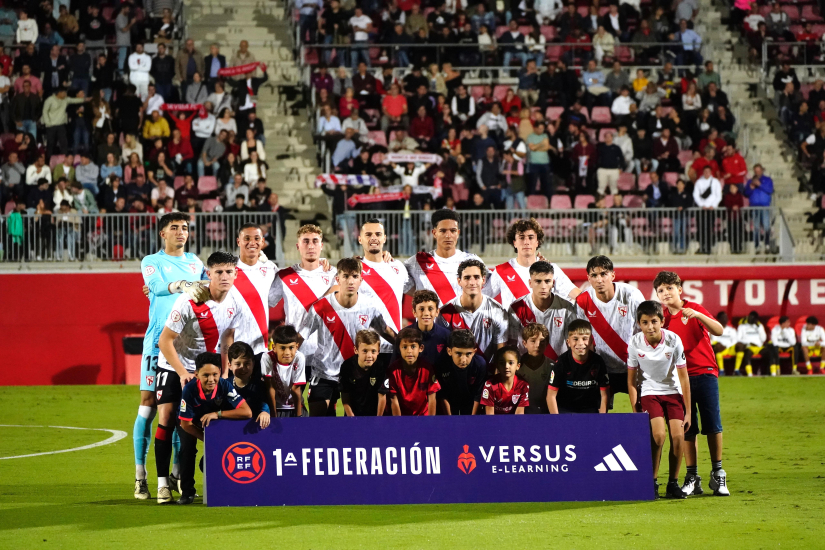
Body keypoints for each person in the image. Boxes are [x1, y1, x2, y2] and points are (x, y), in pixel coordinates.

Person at [155, 251, 247, 504]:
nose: (225, 276)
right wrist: (183, 373)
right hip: (174, 367)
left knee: (197, 428)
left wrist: (226, 371)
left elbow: (228, 338)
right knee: (166, 419)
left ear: (236, 274)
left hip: (206, 373)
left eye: (229, 271)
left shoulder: (236, 302)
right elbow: (165, 342)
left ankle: (188, 483)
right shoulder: (189, 301)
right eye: (219, 272)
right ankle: (162, 483)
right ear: (208, 274)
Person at [133, 213, 209, 500]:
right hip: (157, 343)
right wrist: (179, 286)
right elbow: (153, 286)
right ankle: (141, 475)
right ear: (162, 233)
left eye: (185, 228)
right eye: (174, 228)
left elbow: (210, 289)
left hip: (186, 346)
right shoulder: (151, 261)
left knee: (179, 408)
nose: (181, 232)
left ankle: (176, 472)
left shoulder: (196, 262)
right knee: (149, 404)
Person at [654, 271, 729, 497]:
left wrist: (697, 315)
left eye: (669, 288)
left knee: (713, 424)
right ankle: (692, 477)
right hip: (678, 379)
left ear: (680, 289)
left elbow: (719, 330)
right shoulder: (662, 318)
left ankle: (718, 473)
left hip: (705, 372)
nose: (665, 293)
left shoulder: (694, 308)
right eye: (660, 290)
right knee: (688, 427)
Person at [298, 258, 396, 417]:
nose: (350, 281)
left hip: (355, 374)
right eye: (345, 276)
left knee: (357, 423)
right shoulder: (320, 307)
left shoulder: (369, 306)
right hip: (325, 372)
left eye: (355, 276)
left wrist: (404, 343)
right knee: (319, 421)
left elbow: (385, 331)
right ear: (337, 279)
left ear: (361, 280)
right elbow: (300, 337)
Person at [628, 300, 691, 499]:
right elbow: (631, 379)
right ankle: (652, 482)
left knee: (679, 437)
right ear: (639, 323)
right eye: (645, 322)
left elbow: (683, 377)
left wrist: (688, 411)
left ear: (662, 321)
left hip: (673, 392)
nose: (650, 327)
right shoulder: (635, 343)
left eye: (654, 321)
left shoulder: (674, 340)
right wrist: (635, 408)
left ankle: (673, 484)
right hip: (649, 393)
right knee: (658, 436)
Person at [176, 352, 252, 505]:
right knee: (187, 449)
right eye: (206, 375)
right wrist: (207, 439)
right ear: (196, 374)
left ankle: (226, 487)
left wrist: (218, 414)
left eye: (215, 374)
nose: (211, 380)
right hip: (191, 423)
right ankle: (187, 492)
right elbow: (185, 424)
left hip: (214, 422)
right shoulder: (189, 390)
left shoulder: (224, 385)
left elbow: (247, 412)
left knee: (223, 451)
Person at [575, 255, 644, 407]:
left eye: (603, 274)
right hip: (602, 369)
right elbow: (582, 338)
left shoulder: (632, 296)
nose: (599, 279)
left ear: (613, 275)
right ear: (588, 278)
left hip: (633, 367)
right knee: (598, 418)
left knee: (642, 414)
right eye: (594, 275)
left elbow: (644, 331)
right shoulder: (583, 301)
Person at [268, 224, 337, 361]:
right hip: (296, 352)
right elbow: (264, 301)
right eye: (305, 241)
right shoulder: (284, 276)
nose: (310, 246)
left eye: (315, 241)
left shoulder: (334, 274)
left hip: (327, 354)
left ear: (321, 245)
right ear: (298, 246)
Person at [485, 218, 579, 309]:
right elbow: (480, 299)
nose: (526, 242)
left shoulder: (552, 269)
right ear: (514, 243)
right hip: (513, 325)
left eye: (531, 237)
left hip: (543, 325)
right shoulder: (502, 271)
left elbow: (578, 296)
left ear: (537, 242)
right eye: (521, 238)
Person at [403, 209, 481, 305]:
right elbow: (398, 279)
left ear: (458, 233)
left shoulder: (472, 261)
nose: (448, 235)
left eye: (453, 231)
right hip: (429, 320)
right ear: (434, 233)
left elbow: (489, 288)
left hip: (463, 319)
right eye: (443, 231)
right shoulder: (418, 261)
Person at [438, 259, 508, 362]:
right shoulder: (446, 312)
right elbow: (443, 351)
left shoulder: (498, 311)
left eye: (476, 277)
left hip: (488, 374)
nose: (472, 282)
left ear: (483, 280)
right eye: (467, 278)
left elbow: (500, 354)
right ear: (459, 281)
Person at [508, 261, 577, 361]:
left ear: (553, 283)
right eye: (538, 281)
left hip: (559, 368)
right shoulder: (517, 308)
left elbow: (572, 344)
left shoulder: (566, 308)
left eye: (547, 281)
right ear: (530, 283)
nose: (543, 286)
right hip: (527, 368)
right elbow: (512, 346)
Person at [231, 223, 279, 357]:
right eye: (247, 238)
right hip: (231, 348)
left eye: (257, 238)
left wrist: (320, 263)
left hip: (260, 349)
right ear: (238, 241)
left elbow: (294, 276)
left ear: (262, 242)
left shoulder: (270, 268)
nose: (252, 242)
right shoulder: (227, 269)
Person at [547, 319, 609, 414]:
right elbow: (551, 395)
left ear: (591, 341)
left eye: (584, 339)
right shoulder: (561, 362)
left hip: (589, 409)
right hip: (566, 409)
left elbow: (605, 394)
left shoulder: (598, 362)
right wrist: (557, 420)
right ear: (568, 342)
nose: (580, 343)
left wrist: (602, 417)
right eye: (575, 339)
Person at [435, 328, 487, 415]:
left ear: (474, 352)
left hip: (470, 404)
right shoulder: (441, 363)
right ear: (449, 351)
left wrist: (472, 419)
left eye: (468, 354)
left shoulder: (480, 364)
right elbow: (443, 395)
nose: (463, 360)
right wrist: (449, 419)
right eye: (458, 353)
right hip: (450, 403)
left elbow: (478, 396)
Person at [341, 330, 390, 416]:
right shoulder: (347, 366)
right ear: (356, 350)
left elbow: (382, 396)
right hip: (353, 415)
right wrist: (351, 417)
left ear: (378, 351)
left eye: (373, 351)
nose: (369, 356)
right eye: (365, 351)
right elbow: (345, 396)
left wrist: (378, 420)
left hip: (375, 415)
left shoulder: (381, 367)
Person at [226, 342, 273, 429]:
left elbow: (264, 405)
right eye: (237, 364)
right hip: (230, 429)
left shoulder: (260, 385)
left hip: (253, 431)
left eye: (247, 363)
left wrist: (265, 413)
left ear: (253, 364)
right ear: (230, 365)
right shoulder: (224, 386)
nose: (243, 368)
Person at [515, 323, 554, 414]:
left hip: (545, 413)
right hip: (520, 413)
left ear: (547, 343)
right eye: (533, 341)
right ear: (524, 343)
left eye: (542, 341)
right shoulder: (516, 366)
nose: (538, 345)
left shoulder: (553, 366)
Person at [480, 346, 529, 414]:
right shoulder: (490, 385)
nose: (506, 366)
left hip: (513, 422)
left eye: (511, 363)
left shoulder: (523, 385)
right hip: (495, 422)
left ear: (518, 366)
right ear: (497, 366)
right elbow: (490, 416)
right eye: (502, 363)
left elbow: (519, 414)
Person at [743, 164, 774, 253]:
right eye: (755, 171)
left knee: (766, 225)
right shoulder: (750, 181)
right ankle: (757, 246)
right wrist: (751, 188)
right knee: (756, 227)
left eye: (758, 170)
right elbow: (746, 193)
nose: (757, 172)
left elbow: (770, 190)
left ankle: (767, 244)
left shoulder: (768, 180)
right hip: (754, 207)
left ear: (762, 170)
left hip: (764, 207)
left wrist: (760, 185)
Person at [693, 165, 723, 254]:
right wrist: (702, 205)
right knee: (701, 228)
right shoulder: (699, 182)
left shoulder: (715, 182)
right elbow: (696, 195)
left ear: (711, 172)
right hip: (701, 209)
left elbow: (718, 195)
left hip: (711, 209)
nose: (706, 173)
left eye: (708, 172)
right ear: (703, 172)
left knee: (710, 228)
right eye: (705, 171)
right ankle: (702, 247)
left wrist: (713, 205)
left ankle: (709, 248)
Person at [735, 310, 767, 376]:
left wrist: (758, 328)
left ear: (756, 319)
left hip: (759, 347)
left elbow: (763, 338)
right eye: (749, 317)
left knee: (769, 353)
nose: (750, 319)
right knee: (747, 354)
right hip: (748, 346)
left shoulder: (759, 326)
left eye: (752, 318)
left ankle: (771, 373)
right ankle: (749, 374)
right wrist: (749, 343)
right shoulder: (742, 326)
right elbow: (738, 339)